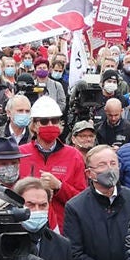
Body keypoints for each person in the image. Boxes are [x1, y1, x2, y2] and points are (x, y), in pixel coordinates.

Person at [19, 96, 87, 231]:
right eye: (44, 121)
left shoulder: (74, 155)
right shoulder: (20, 154)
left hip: (62, 228)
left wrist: (59, 187)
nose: (50, 125)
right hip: (25, 228)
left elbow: (82, 199)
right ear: (34, 125)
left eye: (54, 120)